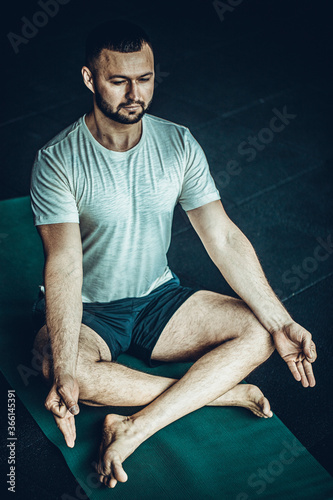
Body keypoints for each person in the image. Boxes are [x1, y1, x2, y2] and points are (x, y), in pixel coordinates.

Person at [30, 19, 317, 489]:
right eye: (118, 80)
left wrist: (283, 321)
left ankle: (134, 426)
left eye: (144, 79)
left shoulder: (178, 143)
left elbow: (221, 236)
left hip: (159, 300)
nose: (133, 93)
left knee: (261, 331)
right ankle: (219, 394)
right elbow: (63, 263)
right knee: (61, 368)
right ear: (89, 79)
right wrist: (64, 370)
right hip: (91, 313)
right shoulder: (58, 160)